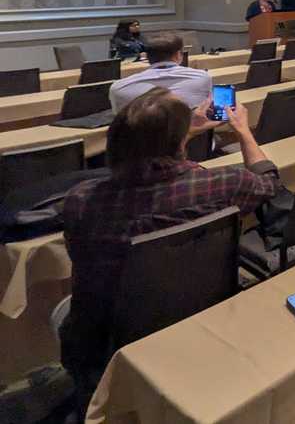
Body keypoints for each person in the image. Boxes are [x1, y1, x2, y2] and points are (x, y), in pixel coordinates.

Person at [62, 88, 278, 410]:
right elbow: (269, 182)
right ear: (178, 142)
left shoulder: (83, 200)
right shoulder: (225, 184)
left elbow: (82, 262)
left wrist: (176, 133)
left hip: (110, 338)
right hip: (202, 314)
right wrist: (243, 131)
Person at [109, 32, 212, 112]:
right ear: (178, 55)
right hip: (189, 137)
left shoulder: (119, 87)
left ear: (147, 57)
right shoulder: (202, 77)